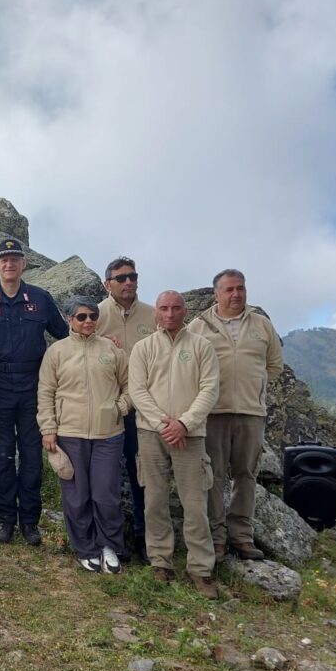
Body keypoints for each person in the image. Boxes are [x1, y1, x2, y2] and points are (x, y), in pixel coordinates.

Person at [0, 239, 67, 545]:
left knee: (31, 457)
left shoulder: (40, 298)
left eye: (15, 259)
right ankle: (5, 519)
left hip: (33, 388)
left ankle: (29, 521)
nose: (9, 264)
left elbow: (66, 336)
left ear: (24, 264)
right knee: (2, 456)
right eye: (4, 259)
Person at [129, 291, 220, 599]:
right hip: (150, 433)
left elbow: (210, 389)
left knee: (194, 504)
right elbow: (137, 391)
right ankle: (160, 562)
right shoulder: (143, 348)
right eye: (164, 308)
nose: (170, 314)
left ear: (185, 311)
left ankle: (201, 568)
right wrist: (163, 424)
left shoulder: (202, 347)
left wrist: (184, 423)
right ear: (156, 312)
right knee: (154, 500)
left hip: (190, 436)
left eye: (176, 308)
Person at [188, 269, 283, 560]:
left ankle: (242, 536)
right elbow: (188, 368)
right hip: (213, 413)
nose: (236, 294)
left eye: (240, 288)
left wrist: (255, 389)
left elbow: (274, 366)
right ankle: (216, 538)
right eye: (229, 289)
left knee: (246, 475)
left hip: (251, 413)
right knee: (214, 477)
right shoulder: (199, 326)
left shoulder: (261, 325)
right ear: (216, 293)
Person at [38, 297, 130, 573]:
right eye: (81, 317)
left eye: (93, 316)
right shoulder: (56, 352)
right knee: (77, 495)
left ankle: (109, 546)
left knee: (106, 493)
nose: (88, 321)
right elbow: (45, 392)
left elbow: (130, 385)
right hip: (70, 433)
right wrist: (48, 429)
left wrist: (120, 408)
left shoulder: (112, 350)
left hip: (108, 433)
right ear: (69, 319)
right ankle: (85, 549)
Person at [96, 256, 155, 564]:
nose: (128, 282)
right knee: (105, 477)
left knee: (141, 474)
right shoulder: (94, 314)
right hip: (109, 407)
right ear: (107, 284)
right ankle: (111, 541)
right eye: (121, 278)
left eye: (132, 276)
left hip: (143, 409)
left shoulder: (153, 315)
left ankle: (145, 539)